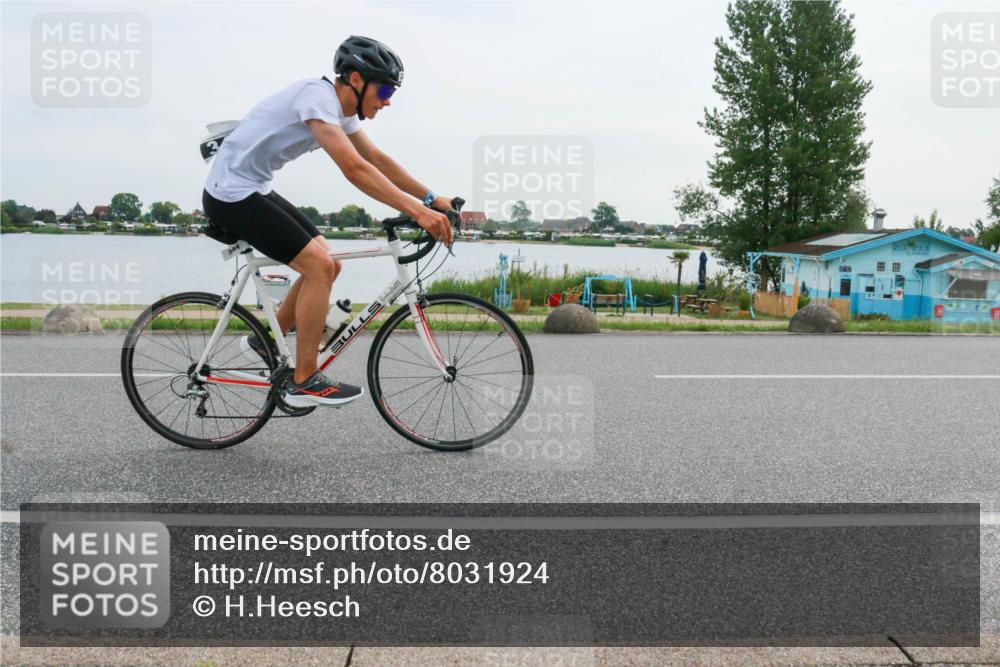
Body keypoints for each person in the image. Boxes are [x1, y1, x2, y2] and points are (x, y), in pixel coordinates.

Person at [201, 36, 454, 408]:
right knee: (318, 267)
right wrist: (418, 212)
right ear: (355, 79)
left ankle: (265, 342)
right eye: (384, 89)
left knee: (329, 261)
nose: (387, 100)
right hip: (230, 194)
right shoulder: (316, 99)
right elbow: (354, 168)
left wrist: (430, 199)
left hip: (254, 186)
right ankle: (303, 379)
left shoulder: (342, 112)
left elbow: (376, 159)